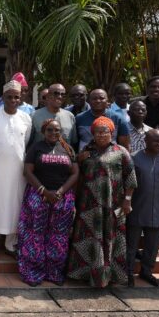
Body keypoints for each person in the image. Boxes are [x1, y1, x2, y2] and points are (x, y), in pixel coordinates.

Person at [67, 116, 137, 288]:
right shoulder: (86, 151)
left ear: (111, 133)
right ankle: (83, 274)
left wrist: (127, 200)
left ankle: (108, 276)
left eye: (105, 132)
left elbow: (130, 177)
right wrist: (79, 159)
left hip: (113, 204)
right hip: (88, 205)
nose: (101, 135)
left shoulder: (120, 151)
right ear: (93, 133)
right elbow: (76, 173)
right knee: (87, 238)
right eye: (98, 132)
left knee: (111, 238)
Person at [18, 119, 79, 286]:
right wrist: (44, 191)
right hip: (38, 196)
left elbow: (75, 173)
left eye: (57, 130)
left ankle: (54, 272)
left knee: (58, 236)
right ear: (43, 132)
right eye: (50, 130)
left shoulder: (68, 149)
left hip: (62, 198)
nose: (54, 133)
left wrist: (60, 192)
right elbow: (27, 171)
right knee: (35, 235)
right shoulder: (36, 148)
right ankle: (33, 272)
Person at [0, 81, 32, 263]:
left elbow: (25, 142)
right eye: (9, 97)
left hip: (17, 171)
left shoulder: (26, 118)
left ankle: (11, 244)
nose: (13, 100)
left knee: (14, 205)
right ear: (3, 97)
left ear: (20, 98)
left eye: (16, 97)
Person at [126, 129, 159, 287]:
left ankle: (146, 272)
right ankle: (128, 273)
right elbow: (127, 183)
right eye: (156, 141)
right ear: (146, 141)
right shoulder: (134, 158)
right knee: (131, 245)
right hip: (136, 208)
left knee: (152, 246)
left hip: (158, 209)